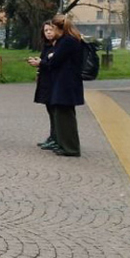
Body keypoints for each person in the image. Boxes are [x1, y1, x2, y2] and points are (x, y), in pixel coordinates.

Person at [37, 14, 84, 157]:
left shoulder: (67, 41)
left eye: (53, 28)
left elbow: (55, 60)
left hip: (65, 84)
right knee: (61, 115)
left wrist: (49, 59)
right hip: (66, 83)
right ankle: (64, 144)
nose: (51, 31)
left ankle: (70, 147)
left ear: (59, 28)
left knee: (65, 117)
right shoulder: (70, 40)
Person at [27, 20, 58, 150]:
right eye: (46, 30)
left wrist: (41, 63)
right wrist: (38, 64)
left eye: (51, 30)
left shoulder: (59, 46)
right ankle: (52, 136)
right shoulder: (47, 46)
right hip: (45, 81)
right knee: (50, 111)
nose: (48, 33)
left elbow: (52, 63)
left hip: (54, 83)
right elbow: (44, 60)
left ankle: (56, 137)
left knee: (55, 111)